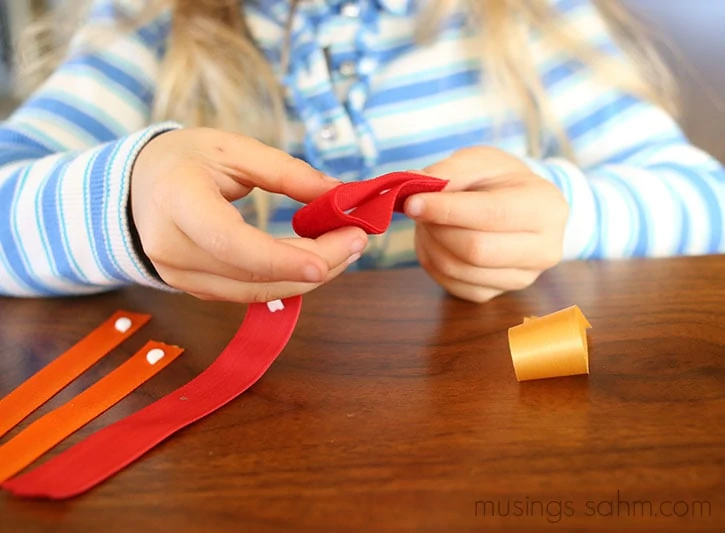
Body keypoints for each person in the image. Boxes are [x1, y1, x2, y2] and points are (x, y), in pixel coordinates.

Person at [0, 0, 723, 304]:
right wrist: (122, 201)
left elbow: (708, 204)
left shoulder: (528, 20)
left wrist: (571, 213)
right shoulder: (144, 29)